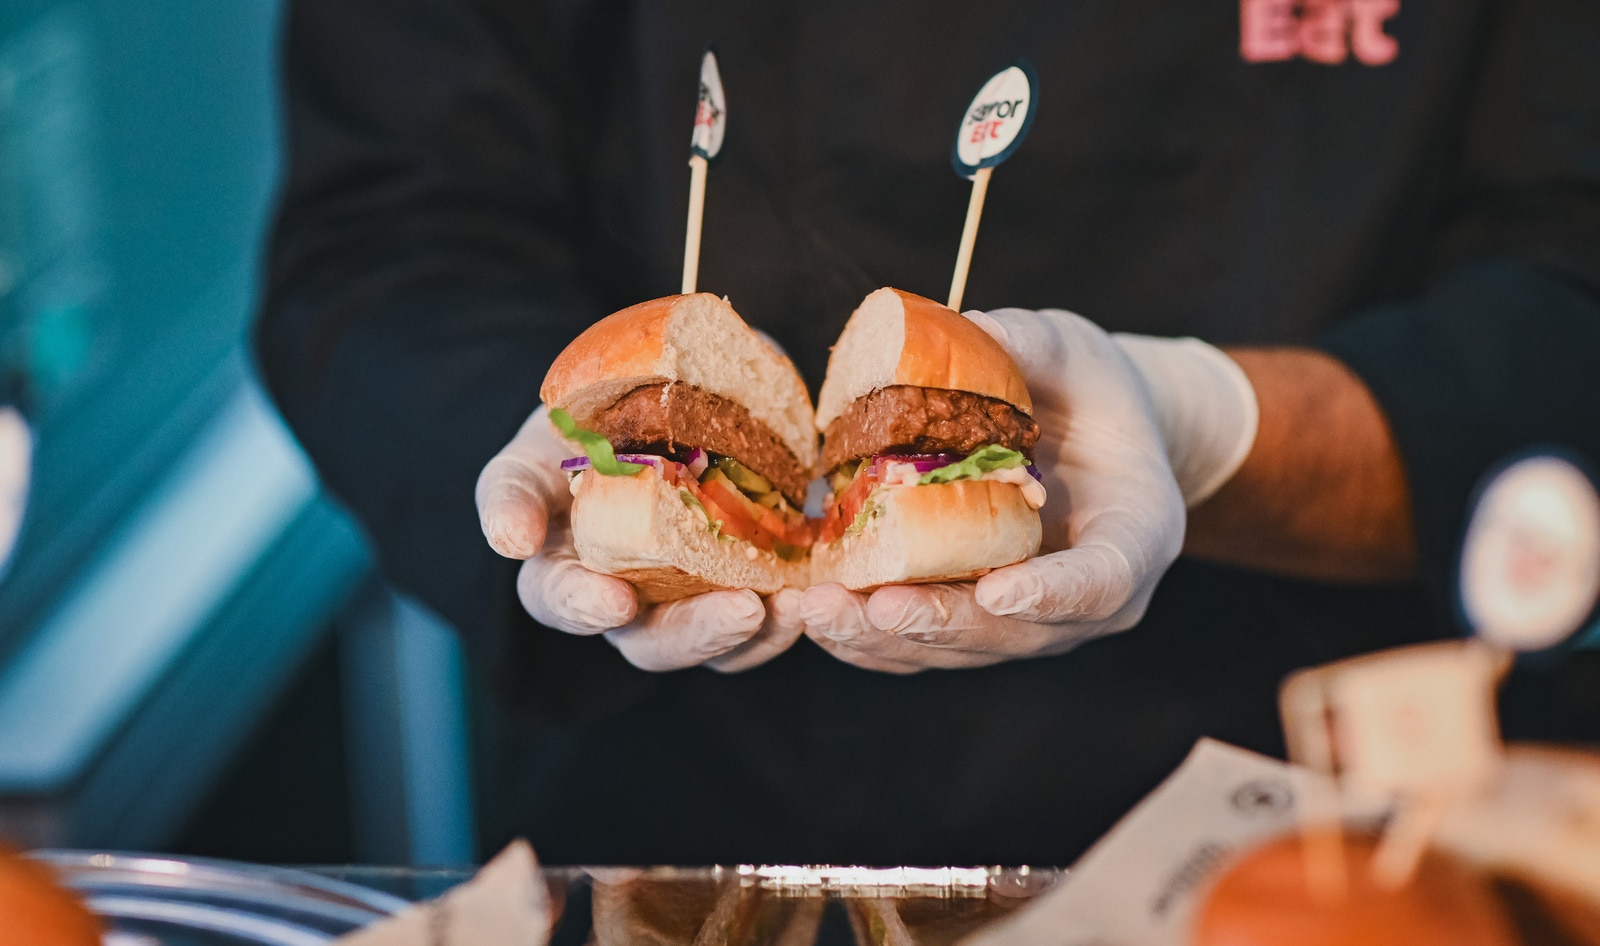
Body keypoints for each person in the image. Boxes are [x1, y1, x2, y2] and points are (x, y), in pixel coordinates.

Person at [257, 0, 1600, 864]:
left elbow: (1571, 282)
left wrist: (1214, 426)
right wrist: (567, 473)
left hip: (1333, 824)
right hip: (687, 825)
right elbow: (389, 237)